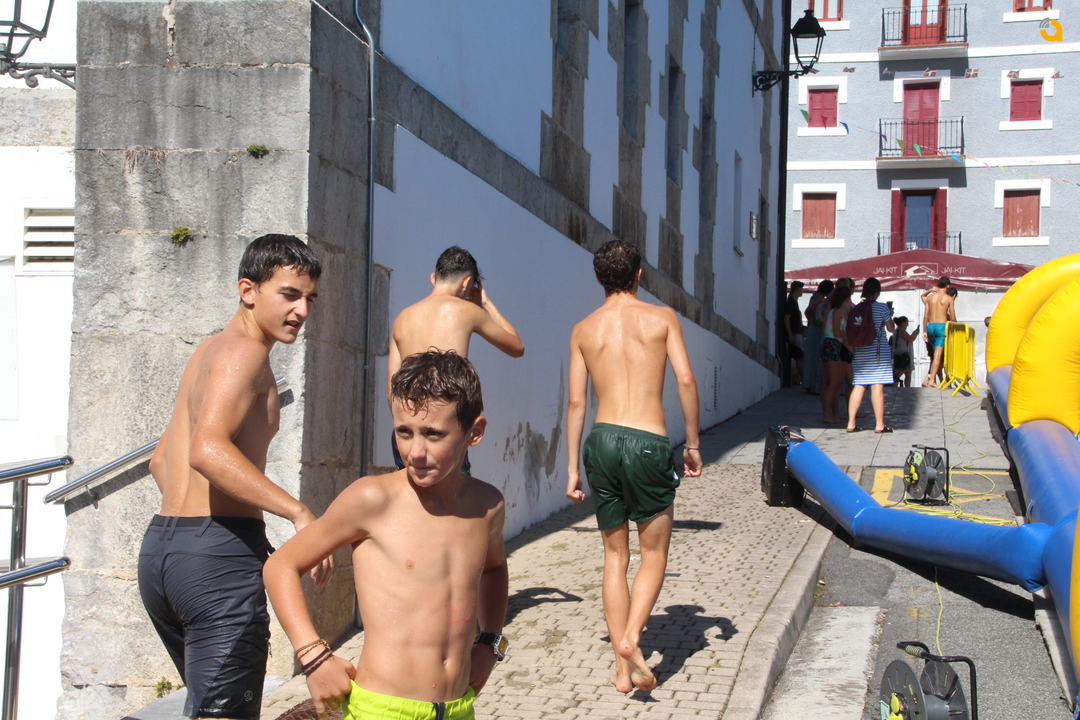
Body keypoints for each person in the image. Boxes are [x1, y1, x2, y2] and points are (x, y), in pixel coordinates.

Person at [138, 234, 333, 720]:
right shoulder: (246, 353)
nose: (302, 310)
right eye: (289, 294)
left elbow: (161, 460)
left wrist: (194, 536)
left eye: (310, 299)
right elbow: (206, 450)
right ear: (248, 290)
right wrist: (298, 512)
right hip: (216, 563)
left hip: (163, 552)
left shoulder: (208, 350)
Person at [264, 350, 509, 719]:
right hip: (383, 708)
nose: (416, 451)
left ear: (474, 432)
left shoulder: (487, 505)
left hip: (459, 707)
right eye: (404, 432)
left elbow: (493, 568)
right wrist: (313, 656)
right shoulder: (372, 499)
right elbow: (280, 566)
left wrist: (490, 643)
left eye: (433, 434)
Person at [564, 239, 703, 693]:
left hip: (602, 441)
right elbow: (685, 379)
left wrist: (571, 468)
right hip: (647, 441)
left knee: (614, 556)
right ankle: (631, 638)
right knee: (654, 554)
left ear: (598, 278)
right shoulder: (662, 319)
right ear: (639, 275)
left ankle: (622, 673)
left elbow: (576, 402)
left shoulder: (583, 330)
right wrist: (693, 443)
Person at [388, 246, 524, 471]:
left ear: (433, 278)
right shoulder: (468, 310)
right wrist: (486, 303)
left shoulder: (402, 318)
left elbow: (392, 385)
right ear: (467, 283)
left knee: (409, 490)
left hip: (409, 427)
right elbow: (517, 347)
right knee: (454, 491)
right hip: (444, 426)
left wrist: (405, 427)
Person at [846, 277, 896, 433]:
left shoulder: (856, 308)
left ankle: (851, 423)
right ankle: (879, 425)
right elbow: (891, 329)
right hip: (878, 353)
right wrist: (890, 315)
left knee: (859, 385)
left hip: (860, 351)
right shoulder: (882, 308)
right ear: (877, 292)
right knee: (877, 386)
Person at [819, 285, 852, 424]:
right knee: (834, 382)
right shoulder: (837, 312)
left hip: (833, 345)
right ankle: (827, 414)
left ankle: (830, 413)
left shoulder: (836, 311)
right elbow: (837, 332)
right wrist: (851, 334)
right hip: (832, 345)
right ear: (845, 299)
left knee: (831, 382)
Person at [922, 277, 955, 387]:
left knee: (933, 355)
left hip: (930, 326)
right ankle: (932, 380)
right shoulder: (948, 298)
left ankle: (931, 378)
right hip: (941, 326)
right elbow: (953, 317)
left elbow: (925, 316)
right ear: (948, 286)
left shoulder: (930, 298)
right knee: (937, 356)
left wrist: (924, 331)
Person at [802, 279, 834, 396]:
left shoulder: (815, 295)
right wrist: (814, 321)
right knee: (813, 355)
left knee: (810, 356)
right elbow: (809, 310)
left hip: (812, 328)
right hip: (815, 329)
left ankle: (808, 383)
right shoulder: (820, 297)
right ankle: (809, 383)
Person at [783, 281, 806, 385]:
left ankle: (799, 377)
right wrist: (790, 334)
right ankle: (803, 378)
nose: (802, 291)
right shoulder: (791, 303)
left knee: (800, 356)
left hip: (797, 333)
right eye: (801, 289)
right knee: (799, 356)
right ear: (797, 289)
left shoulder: (793, 302)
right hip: (794, 334)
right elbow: (786, 318)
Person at [891, 316, 919, 387]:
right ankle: (895, 386)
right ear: (903, 323)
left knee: (907, 373)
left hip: (901, 354)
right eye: (907, 323)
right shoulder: (901, 331)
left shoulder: (897, 331)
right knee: (900, 372)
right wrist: (915, 333)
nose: (908, 325)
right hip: (902, 356)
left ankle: (906, 388)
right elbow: (910, 339)